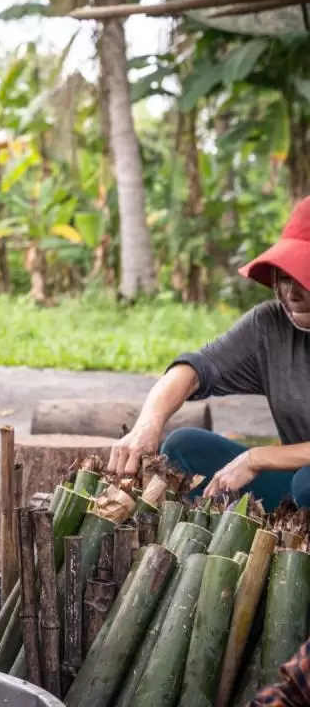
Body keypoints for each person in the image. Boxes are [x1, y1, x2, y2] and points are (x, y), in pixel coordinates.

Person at [107, 196, 310, 511]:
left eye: (304, 276)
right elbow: (194, 369)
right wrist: (149, 422)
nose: (291, 291)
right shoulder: (269, 325)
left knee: (306, 484)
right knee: (184, 446)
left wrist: (256, 458)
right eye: (285, 276)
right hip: (296, 486)